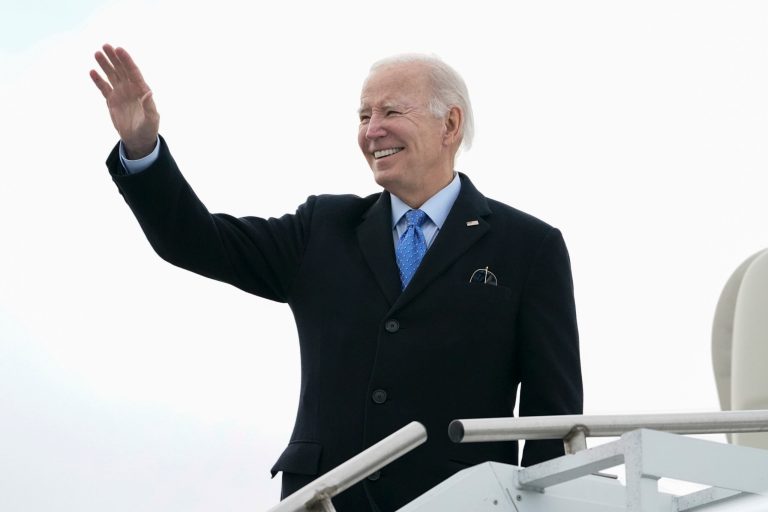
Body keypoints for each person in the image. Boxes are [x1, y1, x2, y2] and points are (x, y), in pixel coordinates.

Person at [90, 44, 583, 511]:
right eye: (363, 116)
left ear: (449, 124)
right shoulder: (323, 228)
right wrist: (142, 146)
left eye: (390, 112)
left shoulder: (528, 247)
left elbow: (551, 420)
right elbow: (196, 241)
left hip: (459, 501)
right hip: (324, 499)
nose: (372, 131)